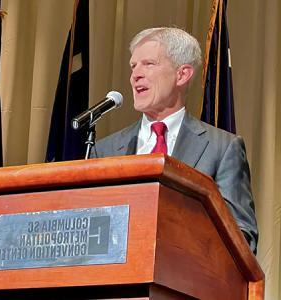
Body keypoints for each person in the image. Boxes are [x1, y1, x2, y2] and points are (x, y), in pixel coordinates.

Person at [90, 27, 258, 253]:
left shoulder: (222, 148)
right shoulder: (105, 150)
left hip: (187, 280)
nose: (135, 75)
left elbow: (241, 237)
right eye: (133, 66)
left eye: (148, 64)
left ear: (182, 74)